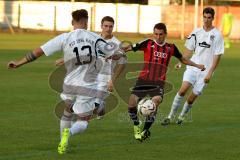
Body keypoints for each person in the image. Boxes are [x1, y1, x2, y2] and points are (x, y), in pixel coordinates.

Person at [7, 9, 116, 154]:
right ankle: (68, 134)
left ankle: (62, 144)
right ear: (86, 22)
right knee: (84, 121)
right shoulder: (95, 38)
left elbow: (38, 52)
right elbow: (113, 53)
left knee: (67, 111)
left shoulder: (64, 38)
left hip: (69, 85)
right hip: (87, 85)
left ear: (72, 22)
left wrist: (19, 63)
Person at [123, 23, 205, 141]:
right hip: (143, 80)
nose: (158, 36)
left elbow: (183, 59)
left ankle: (144, 131)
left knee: (153, 104)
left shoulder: (171, 48)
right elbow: (129, 48)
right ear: (153, 34)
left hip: (158, 83)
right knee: (131, 104)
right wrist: (118, 51)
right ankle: (136, 125)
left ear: (165, 34)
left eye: (160, 34)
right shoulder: (147, 43)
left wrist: (197, 65)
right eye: (156, 34)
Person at [162, 7, 224, 125]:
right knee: (182, 90)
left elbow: (217, 55)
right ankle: (170, 117)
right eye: (204, 17)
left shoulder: (217, 35)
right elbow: (188, 50)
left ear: (213, 18)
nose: (206, 20)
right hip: (193, 66)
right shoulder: (196, 32)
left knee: (191, 98)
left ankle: (181, 116)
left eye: (209, 18)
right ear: (202, 17)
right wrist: (181, 62)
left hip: (205, 71)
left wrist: (210, 72)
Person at [55, 16, 127, 119]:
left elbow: (122, 63)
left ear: (113, 27)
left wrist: (112, 80)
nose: (108, 28)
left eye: (110, 26)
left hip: (105, 77)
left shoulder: (117, 44)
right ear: (101, 26)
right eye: (105, 26)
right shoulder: (92, 38)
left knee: (94, 108)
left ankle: (98, 106)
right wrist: (64, 59)